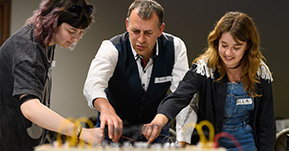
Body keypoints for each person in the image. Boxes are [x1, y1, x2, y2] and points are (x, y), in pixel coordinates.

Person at [142, 11, 276, 150]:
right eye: (224, 45)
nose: (228, 53)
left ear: (247, 46)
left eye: (236, 47)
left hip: (246, 143)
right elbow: (180, 96)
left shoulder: (260, 72)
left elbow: (266, 124)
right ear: (216, 41)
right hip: (211, 142)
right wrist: (159, 120)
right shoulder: (204, 69)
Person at [0, 0, 104, 151]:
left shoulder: (46, 43)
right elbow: (30, 108)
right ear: (52, 22)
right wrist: (82, 133)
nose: (76, 39)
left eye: (81, 33)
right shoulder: (28, 47)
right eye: (71, 31)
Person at [83, 0, 189, 144]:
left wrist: (183, 140)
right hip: (114, 132)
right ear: (127, 25)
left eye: (148, 33)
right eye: (135, 31)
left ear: (160, 29)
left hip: (155, 132)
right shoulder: (111, 48)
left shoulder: (175, 48)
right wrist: (106, 109)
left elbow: (183, 95)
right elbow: (92, 85)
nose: (141, 39)